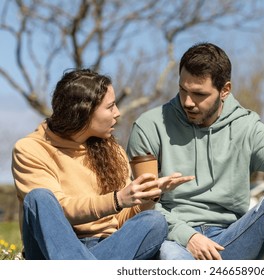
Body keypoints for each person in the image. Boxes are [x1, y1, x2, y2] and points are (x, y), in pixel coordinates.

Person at [127, 42, 264, 260]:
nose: (187, 102)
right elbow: (144, 205)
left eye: (199, 94)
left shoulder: (246, 128)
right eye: (183, 90)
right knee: (171, 257)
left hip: (231, 239)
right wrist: (187, 236)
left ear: (225, 90)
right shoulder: (149, 126)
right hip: (174, 240)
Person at [11, 69, 194, 260]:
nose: (117, 113)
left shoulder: (112, 150)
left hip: (108, 247)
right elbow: (58, 211)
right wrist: (116, 200)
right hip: (52, 247)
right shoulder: (30, 149)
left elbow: (122, 219)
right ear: (83, 111)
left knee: (155, 221)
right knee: (38, 197)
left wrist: (148, 196)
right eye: (110, 106)